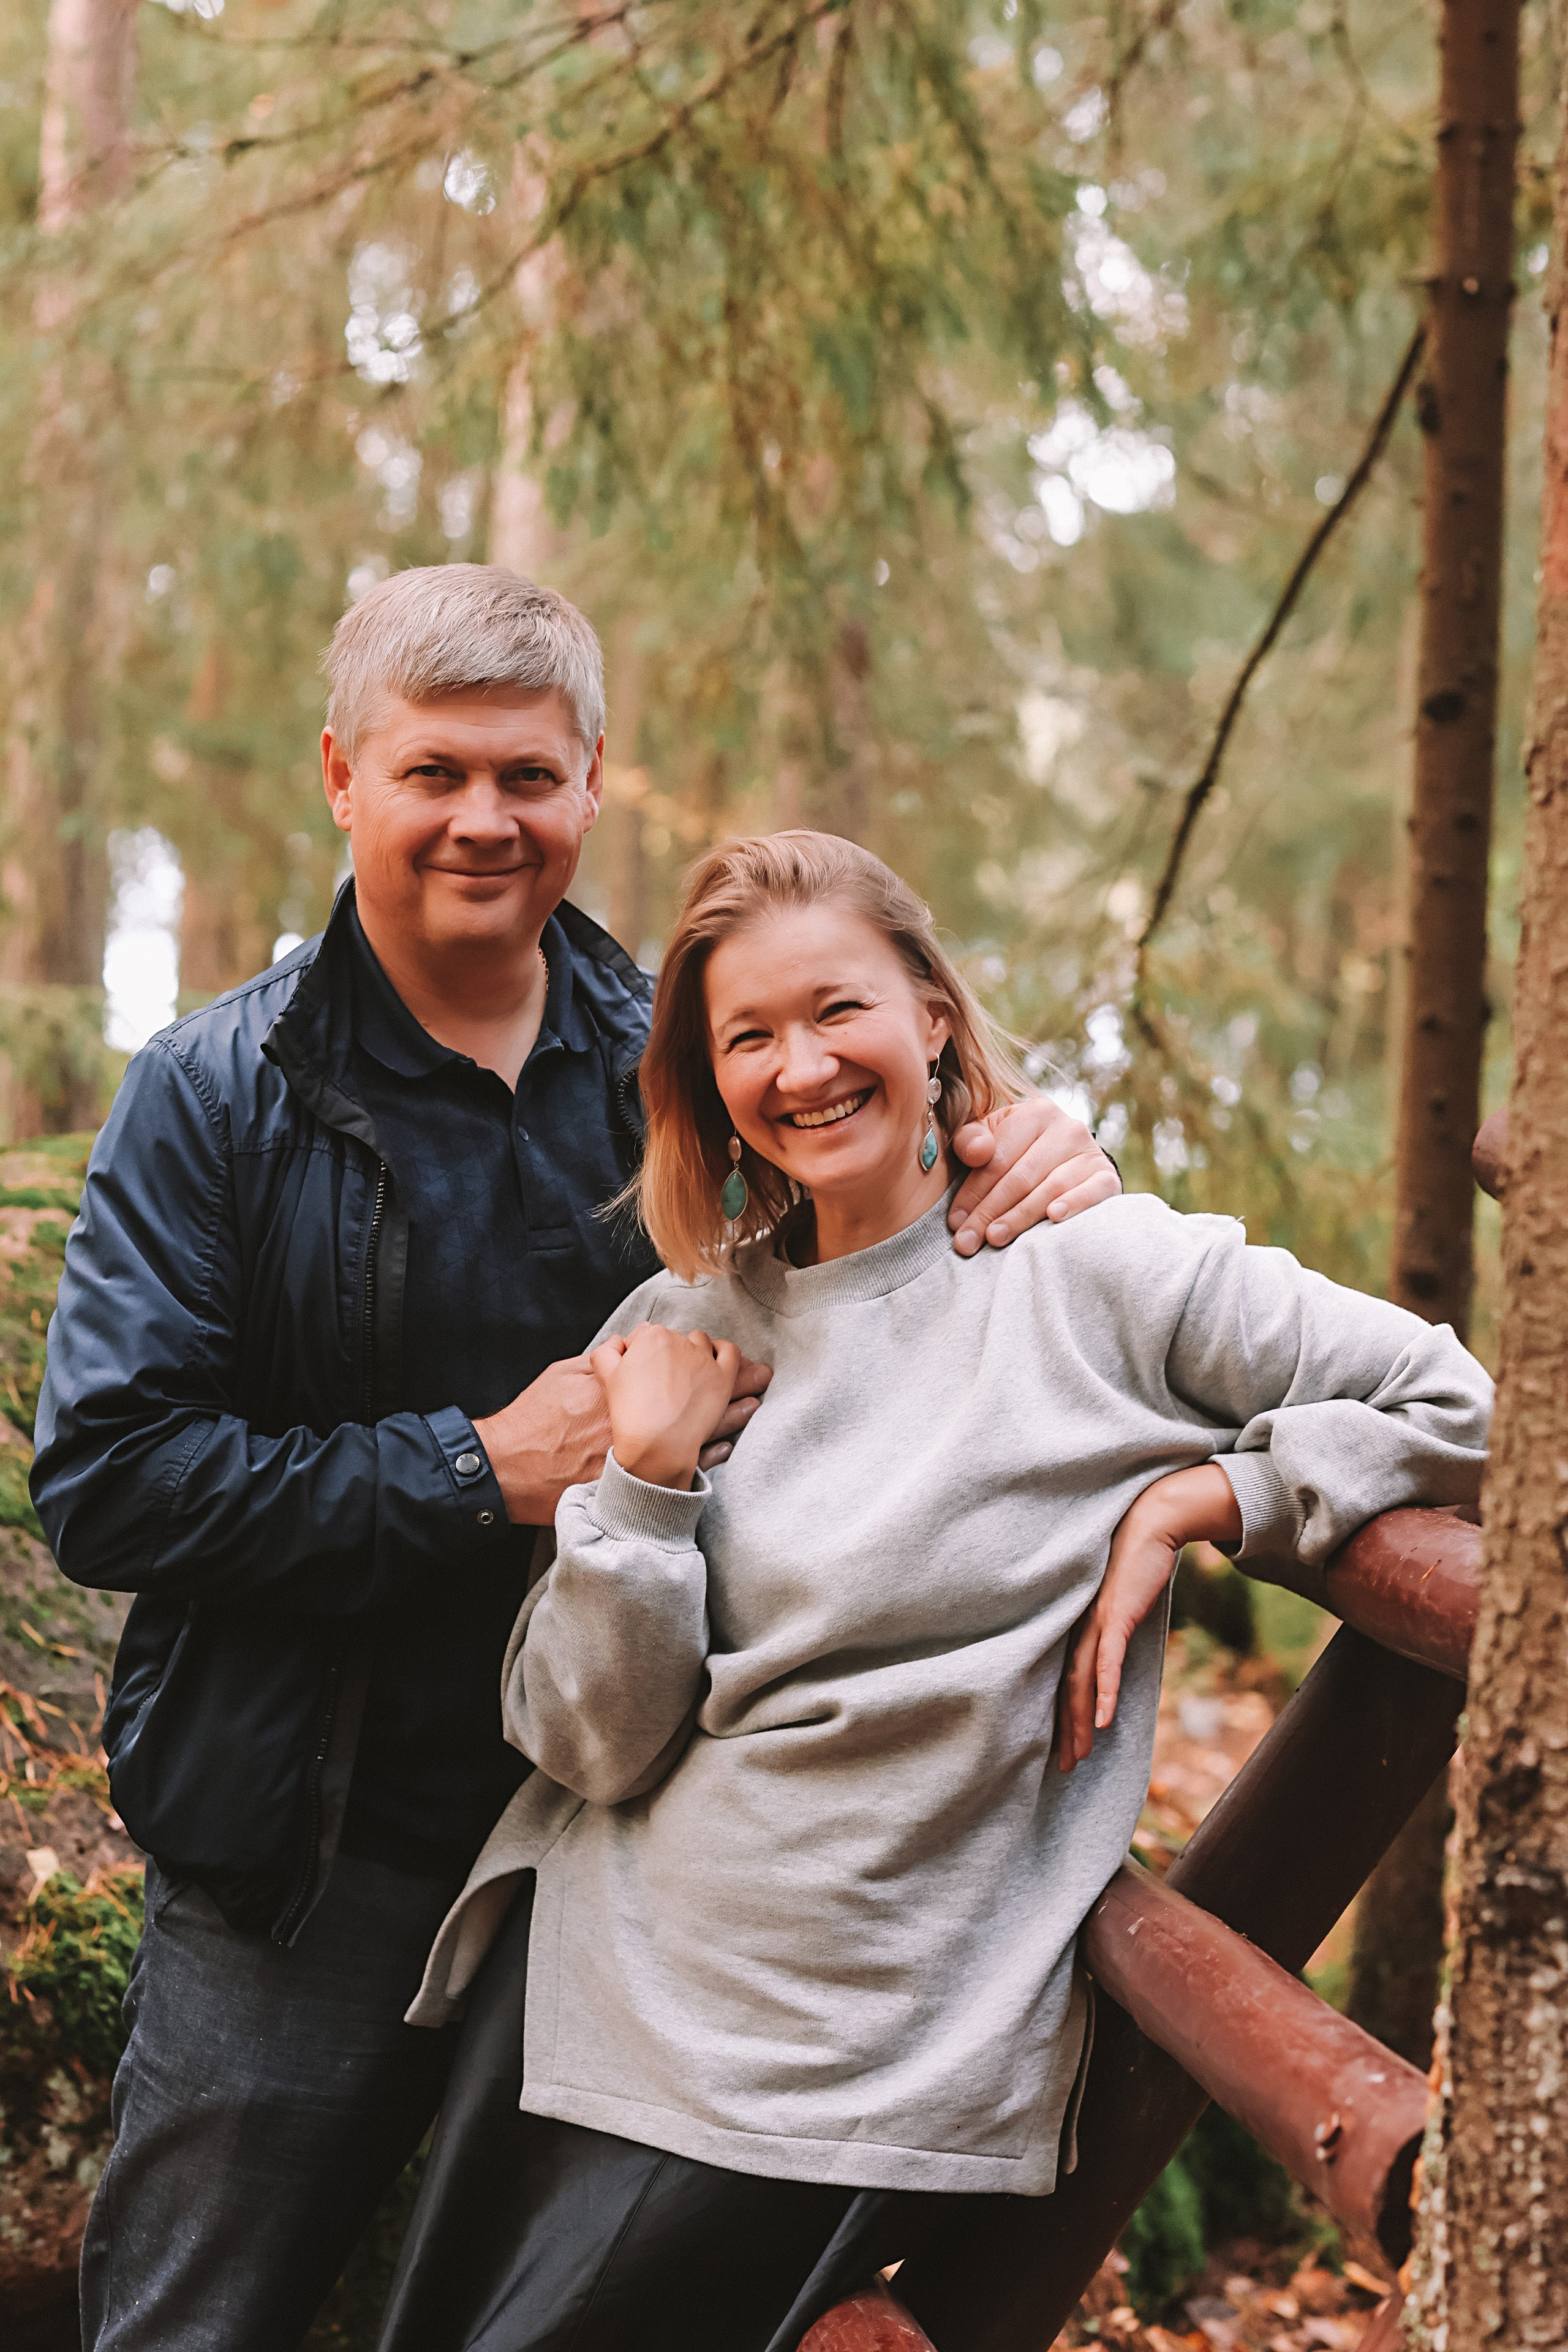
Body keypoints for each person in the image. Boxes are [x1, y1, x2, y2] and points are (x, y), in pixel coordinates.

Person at [29, 567, 1120, 2352]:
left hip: (642, 1875)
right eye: (435, 770)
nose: (485, 819)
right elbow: (115, 1479)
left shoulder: (698, 1067)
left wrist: (1049, 1158)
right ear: (340, 775)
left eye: (529, 776)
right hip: (307, 1873)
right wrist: (481, 1466)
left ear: (593, 783)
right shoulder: (214, 1091)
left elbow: (918, 1240)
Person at [382, 829, 1493, 2352]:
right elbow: (585, 1745)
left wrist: (1213, 1495)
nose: (802, 1066)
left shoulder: (1091, 1270)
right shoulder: (677, 1325)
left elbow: (1470, 1407)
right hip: (585, 1995)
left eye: (837, 1009)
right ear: (706, 1088)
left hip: (848, 2050)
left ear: (931, 1018)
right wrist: (641, 1487)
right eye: (748, 1038)